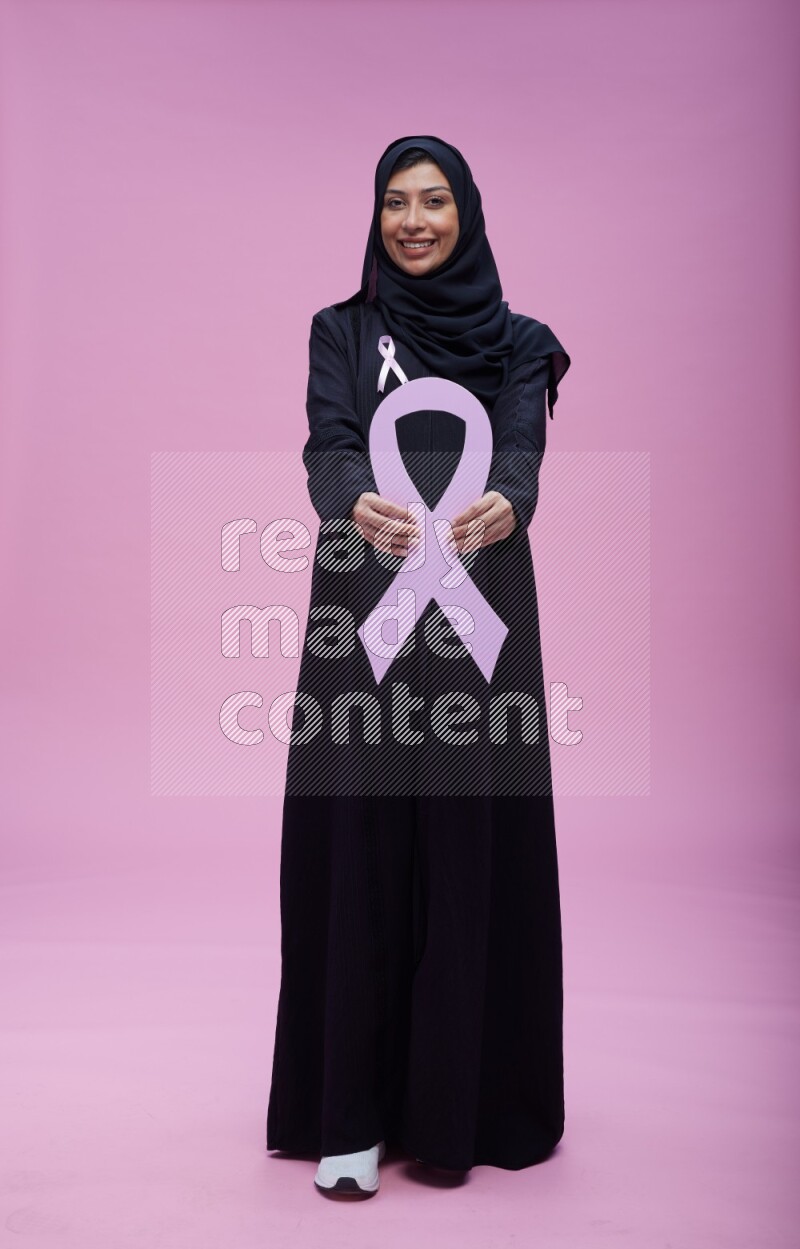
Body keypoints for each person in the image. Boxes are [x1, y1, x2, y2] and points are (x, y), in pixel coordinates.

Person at [266, 135, 571, 1197]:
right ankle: (348, 1115)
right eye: (395, 202)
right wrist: (350, 497)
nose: (413, 221)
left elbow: (521, 446)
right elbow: (328, 442)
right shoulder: (340, 330)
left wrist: (511, 497)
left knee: (467, 839)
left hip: (478, 623)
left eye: (433, 201)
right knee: (360, 840)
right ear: (376, 216)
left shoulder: (521, 342)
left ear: (465, 213)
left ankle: (457, 1111)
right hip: (366, 614)